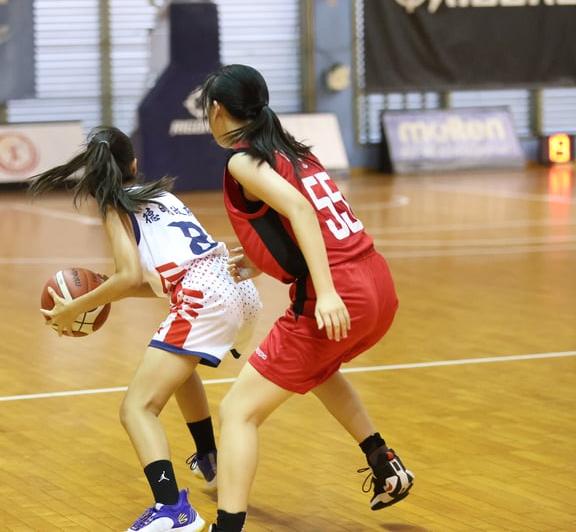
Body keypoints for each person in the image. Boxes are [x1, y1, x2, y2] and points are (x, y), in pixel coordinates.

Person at [198, 64, 414, 531]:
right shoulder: (290, 151)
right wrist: (259, 260)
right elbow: (300, 215)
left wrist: (330, 293)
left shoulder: (241, 158)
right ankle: (384, 463)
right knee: (319, 369)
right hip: (377, 282)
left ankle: (226, 528)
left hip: (337, 292)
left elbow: (298, 209)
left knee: (237, 412)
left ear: (217, 111)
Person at [28, 126, 262, 532]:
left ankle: (173, 509)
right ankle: (208, 458)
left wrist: (76, 308)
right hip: (236, 288)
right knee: (175, 363)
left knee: (137, 408)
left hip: (202, 296)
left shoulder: (112, 207)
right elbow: (151, 280)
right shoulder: (164, 196)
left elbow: (127, 275)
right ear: (134, 165)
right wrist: (107, 292)